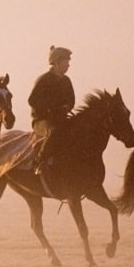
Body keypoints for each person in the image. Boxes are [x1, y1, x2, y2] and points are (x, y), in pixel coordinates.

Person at [28, 45, 75, 175]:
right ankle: (39, 162)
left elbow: (71, 101)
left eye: (68, 62)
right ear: (56, 63)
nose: (68, 65)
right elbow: (32, 100)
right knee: (53, 131)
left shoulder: (66, 81)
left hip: (60, 119)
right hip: (41, 121)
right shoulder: (43, 80)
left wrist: (66, 107)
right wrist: (50, 109)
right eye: (66, 62)